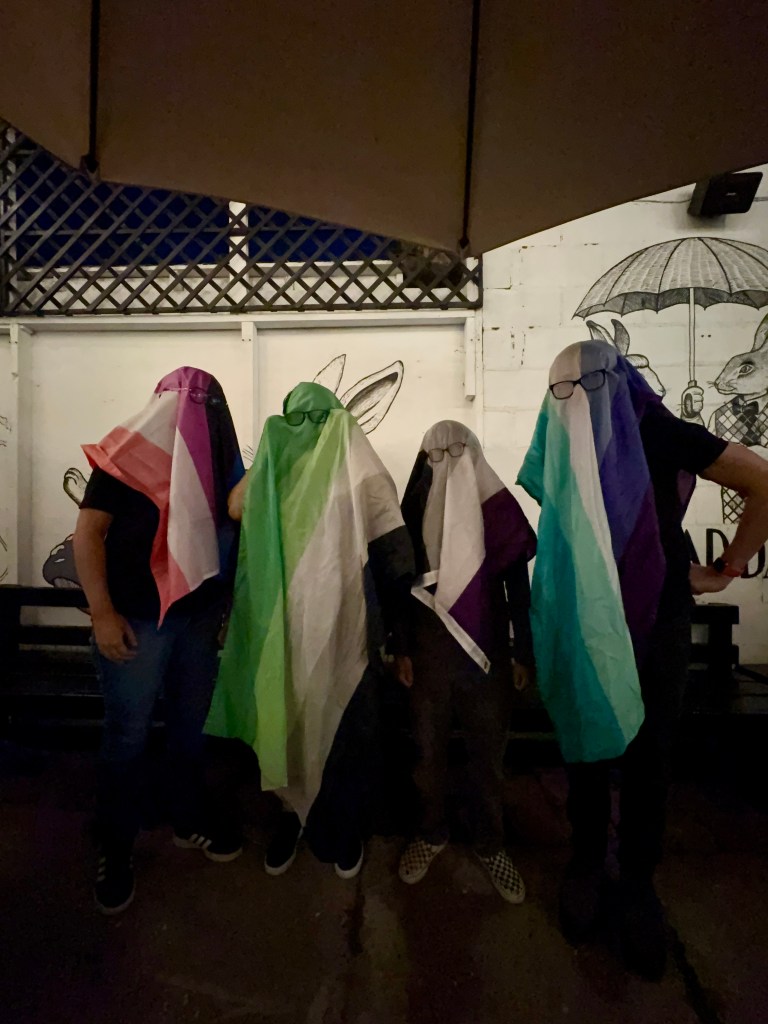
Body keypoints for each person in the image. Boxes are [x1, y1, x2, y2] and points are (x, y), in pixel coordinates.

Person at [517, 340, 768, 979]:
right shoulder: (561, 430)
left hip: (656, 612)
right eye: (563, 389)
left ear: (620, 382)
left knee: (650, 752)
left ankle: (637, 882)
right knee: (585, 738)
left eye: (589, 384)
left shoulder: (655, 428)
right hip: (584, 610)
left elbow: (762, 480)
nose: (577, 399)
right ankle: (585, 861)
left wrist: (726, 567)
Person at [206, 382, 414, 878]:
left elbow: (391, 541)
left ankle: (344, 827)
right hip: (284, 625)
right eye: (295, 420)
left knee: (345, 726)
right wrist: (271, 450)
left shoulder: (354, 465)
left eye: (317, 419)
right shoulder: (277, 468)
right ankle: (292, 817)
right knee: (289, 721)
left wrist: (396, 633)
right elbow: (235, 507)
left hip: (346, 626)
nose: (306, 429)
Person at [73, 367, 245, 915]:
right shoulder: (127, 456)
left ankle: (187, 817)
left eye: (208, 405)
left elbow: (235, 525)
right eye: (187, 401)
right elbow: (88, 532)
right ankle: (115, 843)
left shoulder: (220, 463)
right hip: (137, 621)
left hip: (198, 619)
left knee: (190, 730)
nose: (196, 413)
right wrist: (102, 612)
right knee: (127, 735)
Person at [394, 421, 536, 903]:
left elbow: (517, 585)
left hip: (487, 648)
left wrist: (522, 651)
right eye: (436, 455)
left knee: (487, 753)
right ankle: (431, 832)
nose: (449, 462)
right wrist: (402, 648)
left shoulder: (496, 510)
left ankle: (490, 843)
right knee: (426, 751)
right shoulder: (412, 508)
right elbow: (401, 581)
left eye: (458, 451)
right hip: (427, 649)